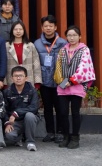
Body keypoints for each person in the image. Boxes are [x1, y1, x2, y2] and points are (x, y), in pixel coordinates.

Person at [55, 25, 96, 149]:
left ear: (80, 36)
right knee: (62, 112)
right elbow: (58, 67)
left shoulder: (84, 49)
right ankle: (66, 136)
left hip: (77, 85)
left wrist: (72, 81)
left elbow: (84, 67)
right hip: (63, 85)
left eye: (74, 35)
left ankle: (75, 137)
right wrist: (62, 81)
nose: (71, 38)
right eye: (69, 35)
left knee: (75, 112)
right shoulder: (63, 50)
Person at [34, 15, 67, 143]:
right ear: (42, 28)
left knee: (60, 107)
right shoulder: (37, 43)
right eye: (46, 26)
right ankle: (50, 132)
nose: (48, 28)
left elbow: (67, 64)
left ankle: (60, 132)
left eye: (51, 26)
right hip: (44, 81)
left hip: (60, 82)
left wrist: (65, 82)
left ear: (55, 27)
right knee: (47, 107)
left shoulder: (63, 43)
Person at [3, 65, 41, 151]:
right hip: (15, 121)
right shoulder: (7, 92)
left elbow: (34, 107)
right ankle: (20, 136)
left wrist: (16, 113)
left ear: (26, 78)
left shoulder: (32, 91)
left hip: (30, 119)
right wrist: (7, 123)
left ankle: (30, 142)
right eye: (16, 76)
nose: (18, 78)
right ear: (12, 78)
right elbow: (4, 110)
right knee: (9, 136)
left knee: (29, 116)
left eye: (21, 76)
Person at [6, 20, 42, 87]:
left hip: (28, 78)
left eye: (20, 29)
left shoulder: (30, 45)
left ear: (24, 31)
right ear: (12, 31)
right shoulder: (7, 46)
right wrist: (4, 82)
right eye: (15, 29)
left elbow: (36, 64)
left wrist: (37, 81)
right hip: (12, 78)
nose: (18, 31)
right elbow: (3, 64)